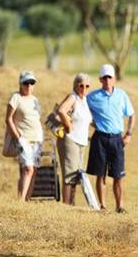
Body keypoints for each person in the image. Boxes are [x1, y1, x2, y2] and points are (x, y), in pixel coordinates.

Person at [86, 64, 135, 213]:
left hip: (117, 139)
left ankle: (119, 206)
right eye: (104, 77)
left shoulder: (122, 95)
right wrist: (93, 123)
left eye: (110, 77)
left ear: (114, 79)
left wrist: (128, 134)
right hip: (100, 138)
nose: (107, 80)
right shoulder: (92, 97)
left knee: (118, 175)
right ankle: (103, 206)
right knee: (100, 175)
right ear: (100, 79)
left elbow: (131, 114)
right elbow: (82, 111)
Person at [5, 70, 43, 201]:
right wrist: (18, 138)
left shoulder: (35, 100)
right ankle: (21, 201)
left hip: (37, 139)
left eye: (32, 83)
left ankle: (26, 199)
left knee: (32, 171)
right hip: (23, 139)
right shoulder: (15, 97)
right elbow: (8, 119)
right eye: (26, 83)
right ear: (20, 83)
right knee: (28, 169)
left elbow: (37, 119)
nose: (29, 85)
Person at [56, 73, 93, 205]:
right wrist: (67, 124)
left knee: (77, 175)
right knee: (69, 174)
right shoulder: (73, 98)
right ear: (76, 86)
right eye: (81, 85)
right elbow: (61, 110)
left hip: (81, 141)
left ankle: (72, 203)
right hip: (70, 139)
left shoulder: (85, 100)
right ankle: (66, 204)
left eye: (87, 86)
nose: (84, 88)